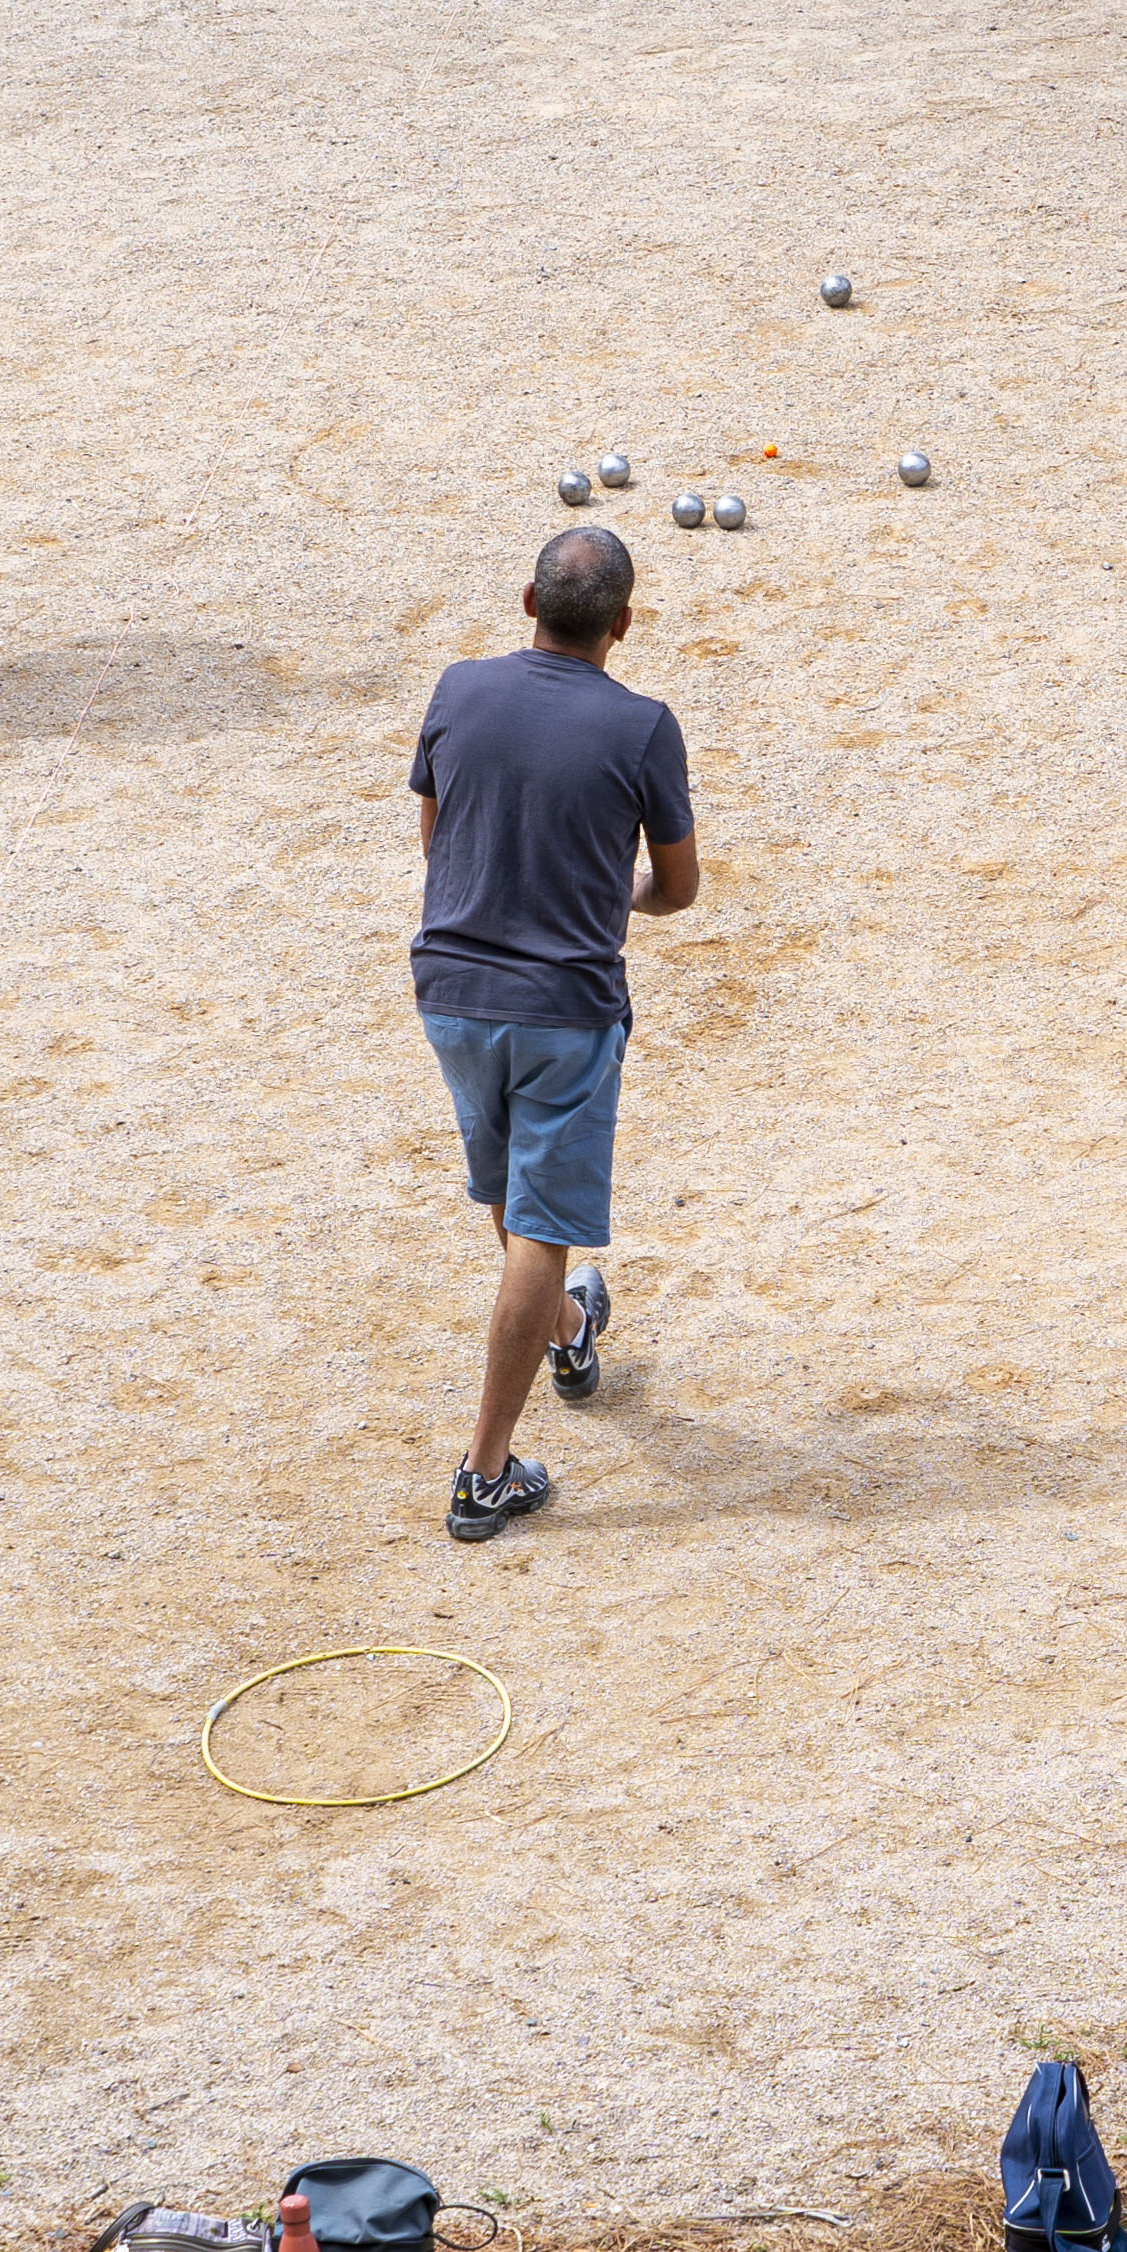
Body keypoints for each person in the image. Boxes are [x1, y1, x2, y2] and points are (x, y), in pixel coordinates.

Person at [407, 525, 703, 1542]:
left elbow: (440, 845)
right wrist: (608, 895)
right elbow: (679, 887)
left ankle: (570, 1334)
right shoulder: (643, 726)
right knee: (542, 1228)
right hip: (564, 1011)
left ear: (527, 601)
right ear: (623, 624)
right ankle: (485, 1473)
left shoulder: (456, 689)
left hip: (449, 992)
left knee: (509, 1191)